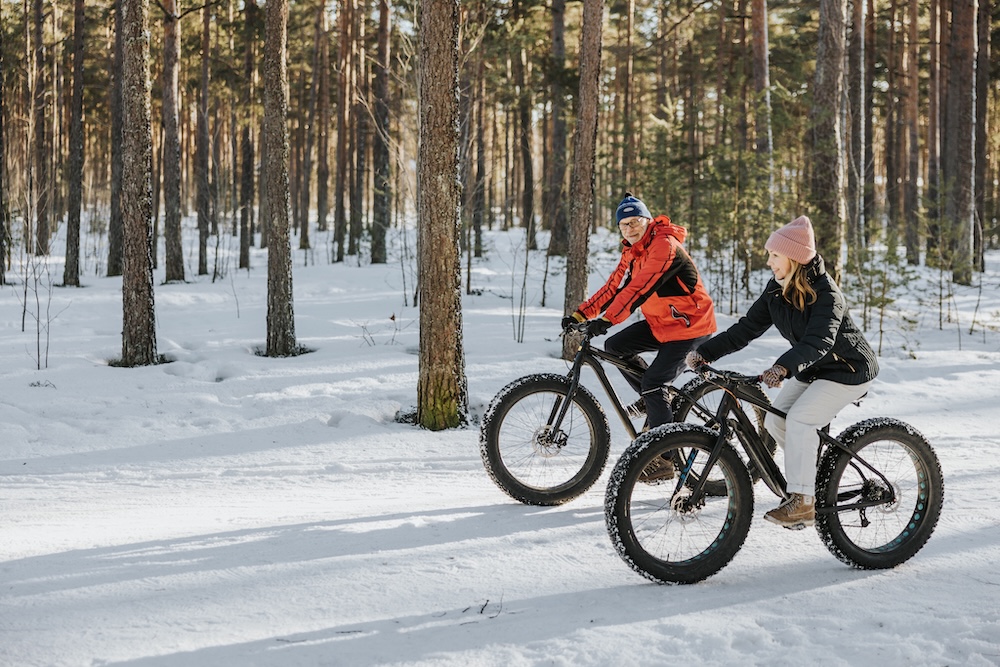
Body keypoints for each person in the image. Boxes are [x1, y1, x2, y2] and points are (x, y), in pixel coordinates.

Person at [686, 215, 879, 529]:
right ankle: (811, 481)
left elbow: (819, 342)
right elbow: (747, 328)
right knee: (776, 420)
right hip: (813, 369)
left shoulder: (827, 295)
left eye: (774, 255)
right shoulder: (777, 289)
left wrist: (783, 367)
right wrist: (705, 352)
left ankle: (803, 500)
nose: (768, 261)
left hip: (847, 369)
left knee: (801, 419)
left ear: (794, 258)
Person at [563, 193, 717, 480]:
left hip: (691, 327)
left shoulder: (664, 246)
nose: (630, 229)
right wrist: (582, 314)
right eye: (624, 225)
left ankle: (665, 460)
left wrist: (607, 319)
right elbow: (613, 287)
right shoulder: (632, 250)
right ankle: (653, 400)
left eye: (635, 222)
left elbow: (637, 290)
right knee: (615, 347)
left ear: (648, 221)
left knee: (653, 381)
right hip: (663, 324)